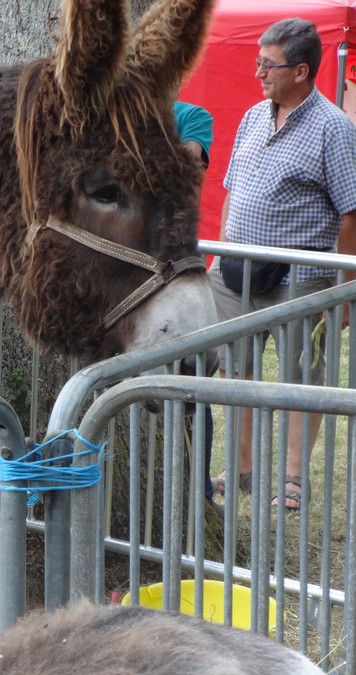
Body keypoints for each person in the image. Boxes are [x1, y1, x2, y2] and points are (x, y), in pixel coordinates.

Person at [209, 18, 356, 511]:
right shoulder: (253, 116)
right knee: (237, 371)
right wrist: (224, 251)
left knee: (301, 377)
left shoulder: (334, 129)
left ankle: (293, 478)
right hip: (236, 271)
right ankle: (242, 467)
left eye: (267, 65)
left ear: (301, 70)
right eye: (256, 62)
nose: (257, 73)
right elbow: (232, 190)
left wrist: (343, 284)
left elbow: (352, 212)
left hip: (301, 274)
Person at [174, 100, 219, 514]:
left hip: (177, 264)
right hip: (121, 276)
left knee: (196, 381)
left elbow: (190, 162)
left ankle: (201, 490)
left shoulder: (191, 115)